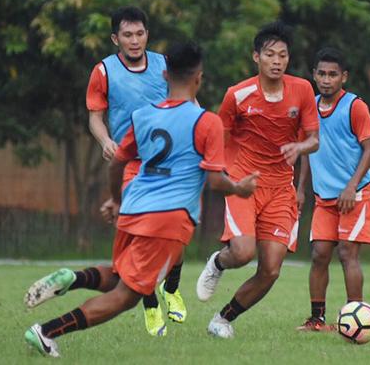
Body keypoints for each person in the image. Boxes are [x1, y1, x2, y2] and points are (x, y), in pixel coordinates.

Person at [23, 42, 259, 357]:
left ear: (164, 75)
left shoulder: (143, 116)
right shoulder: (207, 122)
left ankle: (73, 278)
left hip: (133, 208)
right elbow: (216, 181)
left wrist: (117, 200)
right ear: (199, 79)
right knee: (127, 296)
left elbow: (118, 162)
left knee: (121, 275)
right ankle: (47, 332)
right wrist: (240, 190)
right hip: (168, 219)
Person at [29, 6, 185, 337]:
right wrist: (105, 141)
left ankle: (169, 289)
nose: (134, 40)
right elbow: (95, 117)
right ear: (116, 38)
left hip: (167, 164)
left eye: (139, 33)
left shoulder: (164, 66)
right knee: (148, 236)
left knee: (174, 235)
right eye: (127, 35)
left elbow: (183, 104)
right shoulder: (104, 71)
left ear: (147, 35)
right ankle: (152, 306)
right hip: (129, 166)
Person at [196, 21, 320, 339]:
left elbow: (314, 140)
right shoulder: (237, 95)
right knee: (242, 253)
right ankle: (219, 263)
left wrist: (300, 146)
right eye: (270, 54)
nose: (277, 61)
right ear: (257, 57)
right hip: (244, 182)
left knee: (271, 269)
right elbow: (219, 137)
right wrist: (220, 174)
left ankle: (222, 320)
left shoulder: (303, 90)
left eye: (282, 55)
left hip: (281, 188)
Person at [295, 47, 370, 331]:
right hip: (323, 198)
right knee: (319, 254)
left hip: (355, 195)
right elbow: (307, 150)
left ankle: (356, 318)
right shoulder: (310, 108)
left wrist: (351, 185)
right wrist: (301, 188)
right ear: (314, 75)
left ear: (344, 77)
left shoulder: (355, 106)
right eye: (321, 73)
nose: (327, 79)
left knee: (347, 253)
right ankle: (317, 319)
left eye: (333, 74)